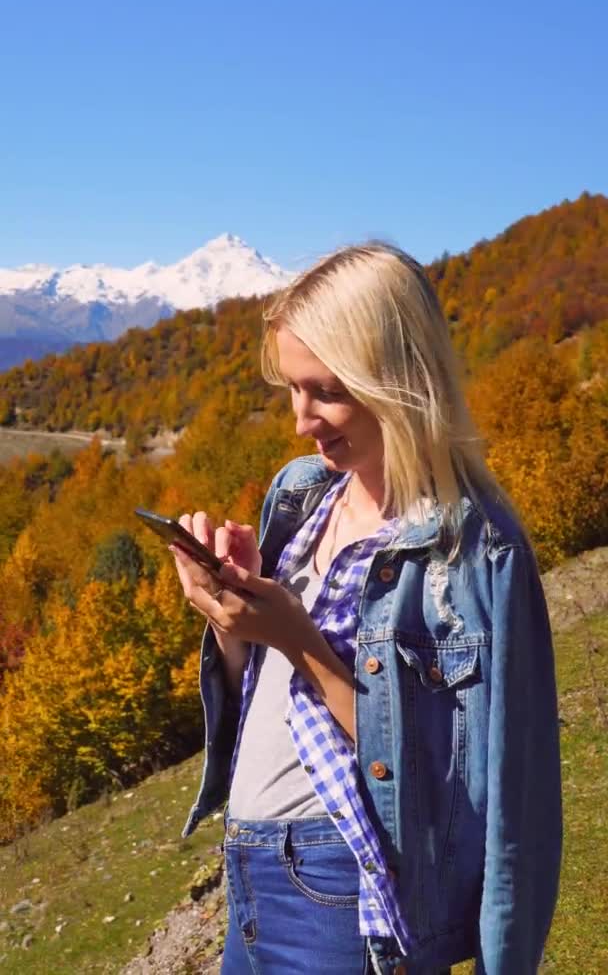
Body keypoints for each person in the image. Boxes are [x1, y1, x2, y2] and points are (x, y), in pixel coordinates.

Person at [172, 243, 562, 975]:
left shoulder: (477, 550)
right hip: (251, 869)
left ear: (400, 382)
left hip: (342, 893)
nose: (302, 420)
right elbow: (262, 692)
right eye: (292, 388)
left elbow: (504, 802)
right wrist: (230, 617)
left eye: (326, 392)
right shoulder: (302, 494)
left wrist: (301, 642)